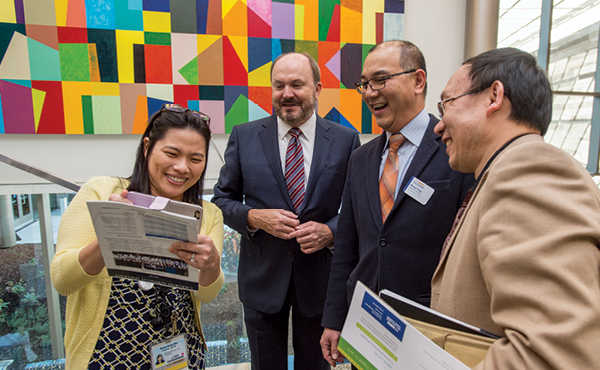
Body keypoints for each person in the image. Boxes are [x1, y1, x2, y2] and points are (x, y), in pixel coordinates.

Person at [431, 47, 600, 369]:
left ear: (494, 96)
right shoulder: (500, 173)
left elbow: (551, 353)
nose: (438, 127)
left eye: (446, 105)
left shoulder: (530, 170)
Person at [320, 40, 474, 367]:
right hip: (366, 321)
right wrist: (334, 317)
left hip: (429, 326)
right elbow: (347, 244)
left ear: (418, 81)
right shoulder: (360, 159)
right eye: (364, 84)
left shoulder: (456, 152)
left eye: (380, 80)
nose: (369, 92)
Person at [212, 52, 360, 369]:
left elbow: (355, 206)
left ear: (318, 88)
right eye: (279, 85)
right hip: (262, 282)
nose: (287, 93)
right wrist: (254, 217)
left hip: (320, 282)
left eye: (297, 84)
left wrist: (330, 231)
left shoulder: (346, 141)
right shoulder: (245, 135)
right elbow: (222, 200)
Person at [51, 104, 224, 370]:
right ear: (147, 148)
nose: (181, 167)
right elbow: (63, 280)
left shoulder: (208, 214)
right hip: (105, 355)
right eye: (171, 153)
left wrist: (211, 266)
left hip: (180, 354)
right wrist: (110, 235)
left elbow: (208, 294)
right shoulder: (100, 191)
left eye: (195, 159)